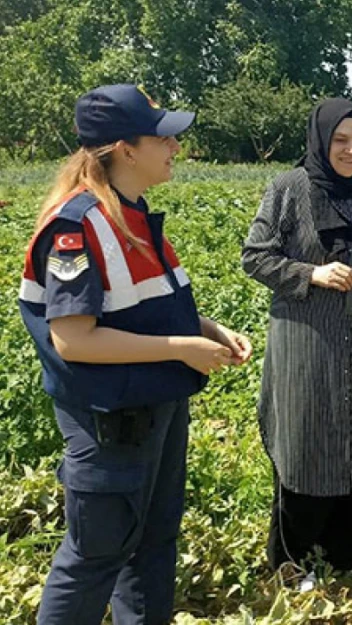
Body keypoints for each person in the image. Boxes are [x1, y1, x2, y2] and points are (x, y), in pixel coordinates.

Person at [18, 84, 253, 625]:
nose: (176, 147)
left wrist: (210, 330)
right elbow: (73, 339)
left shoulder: (134, 214)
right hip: (109, 422)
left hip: (156, 406)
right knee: (95, 557)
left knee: (152, 542)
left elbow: (149, 309)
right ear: (126, 149)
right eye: (164, 137)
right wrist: (181, 348)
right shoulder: (77, 227)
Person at [242, 98, 352, 591]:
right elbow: (255, 257)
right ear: (320, 140)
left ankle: (350, 548)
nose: (351, 151)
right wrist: (312, 272)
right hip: (307, 343)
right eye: (341, 141)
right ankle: (291, 560)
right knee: (307, 440)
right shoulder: (288, 190)